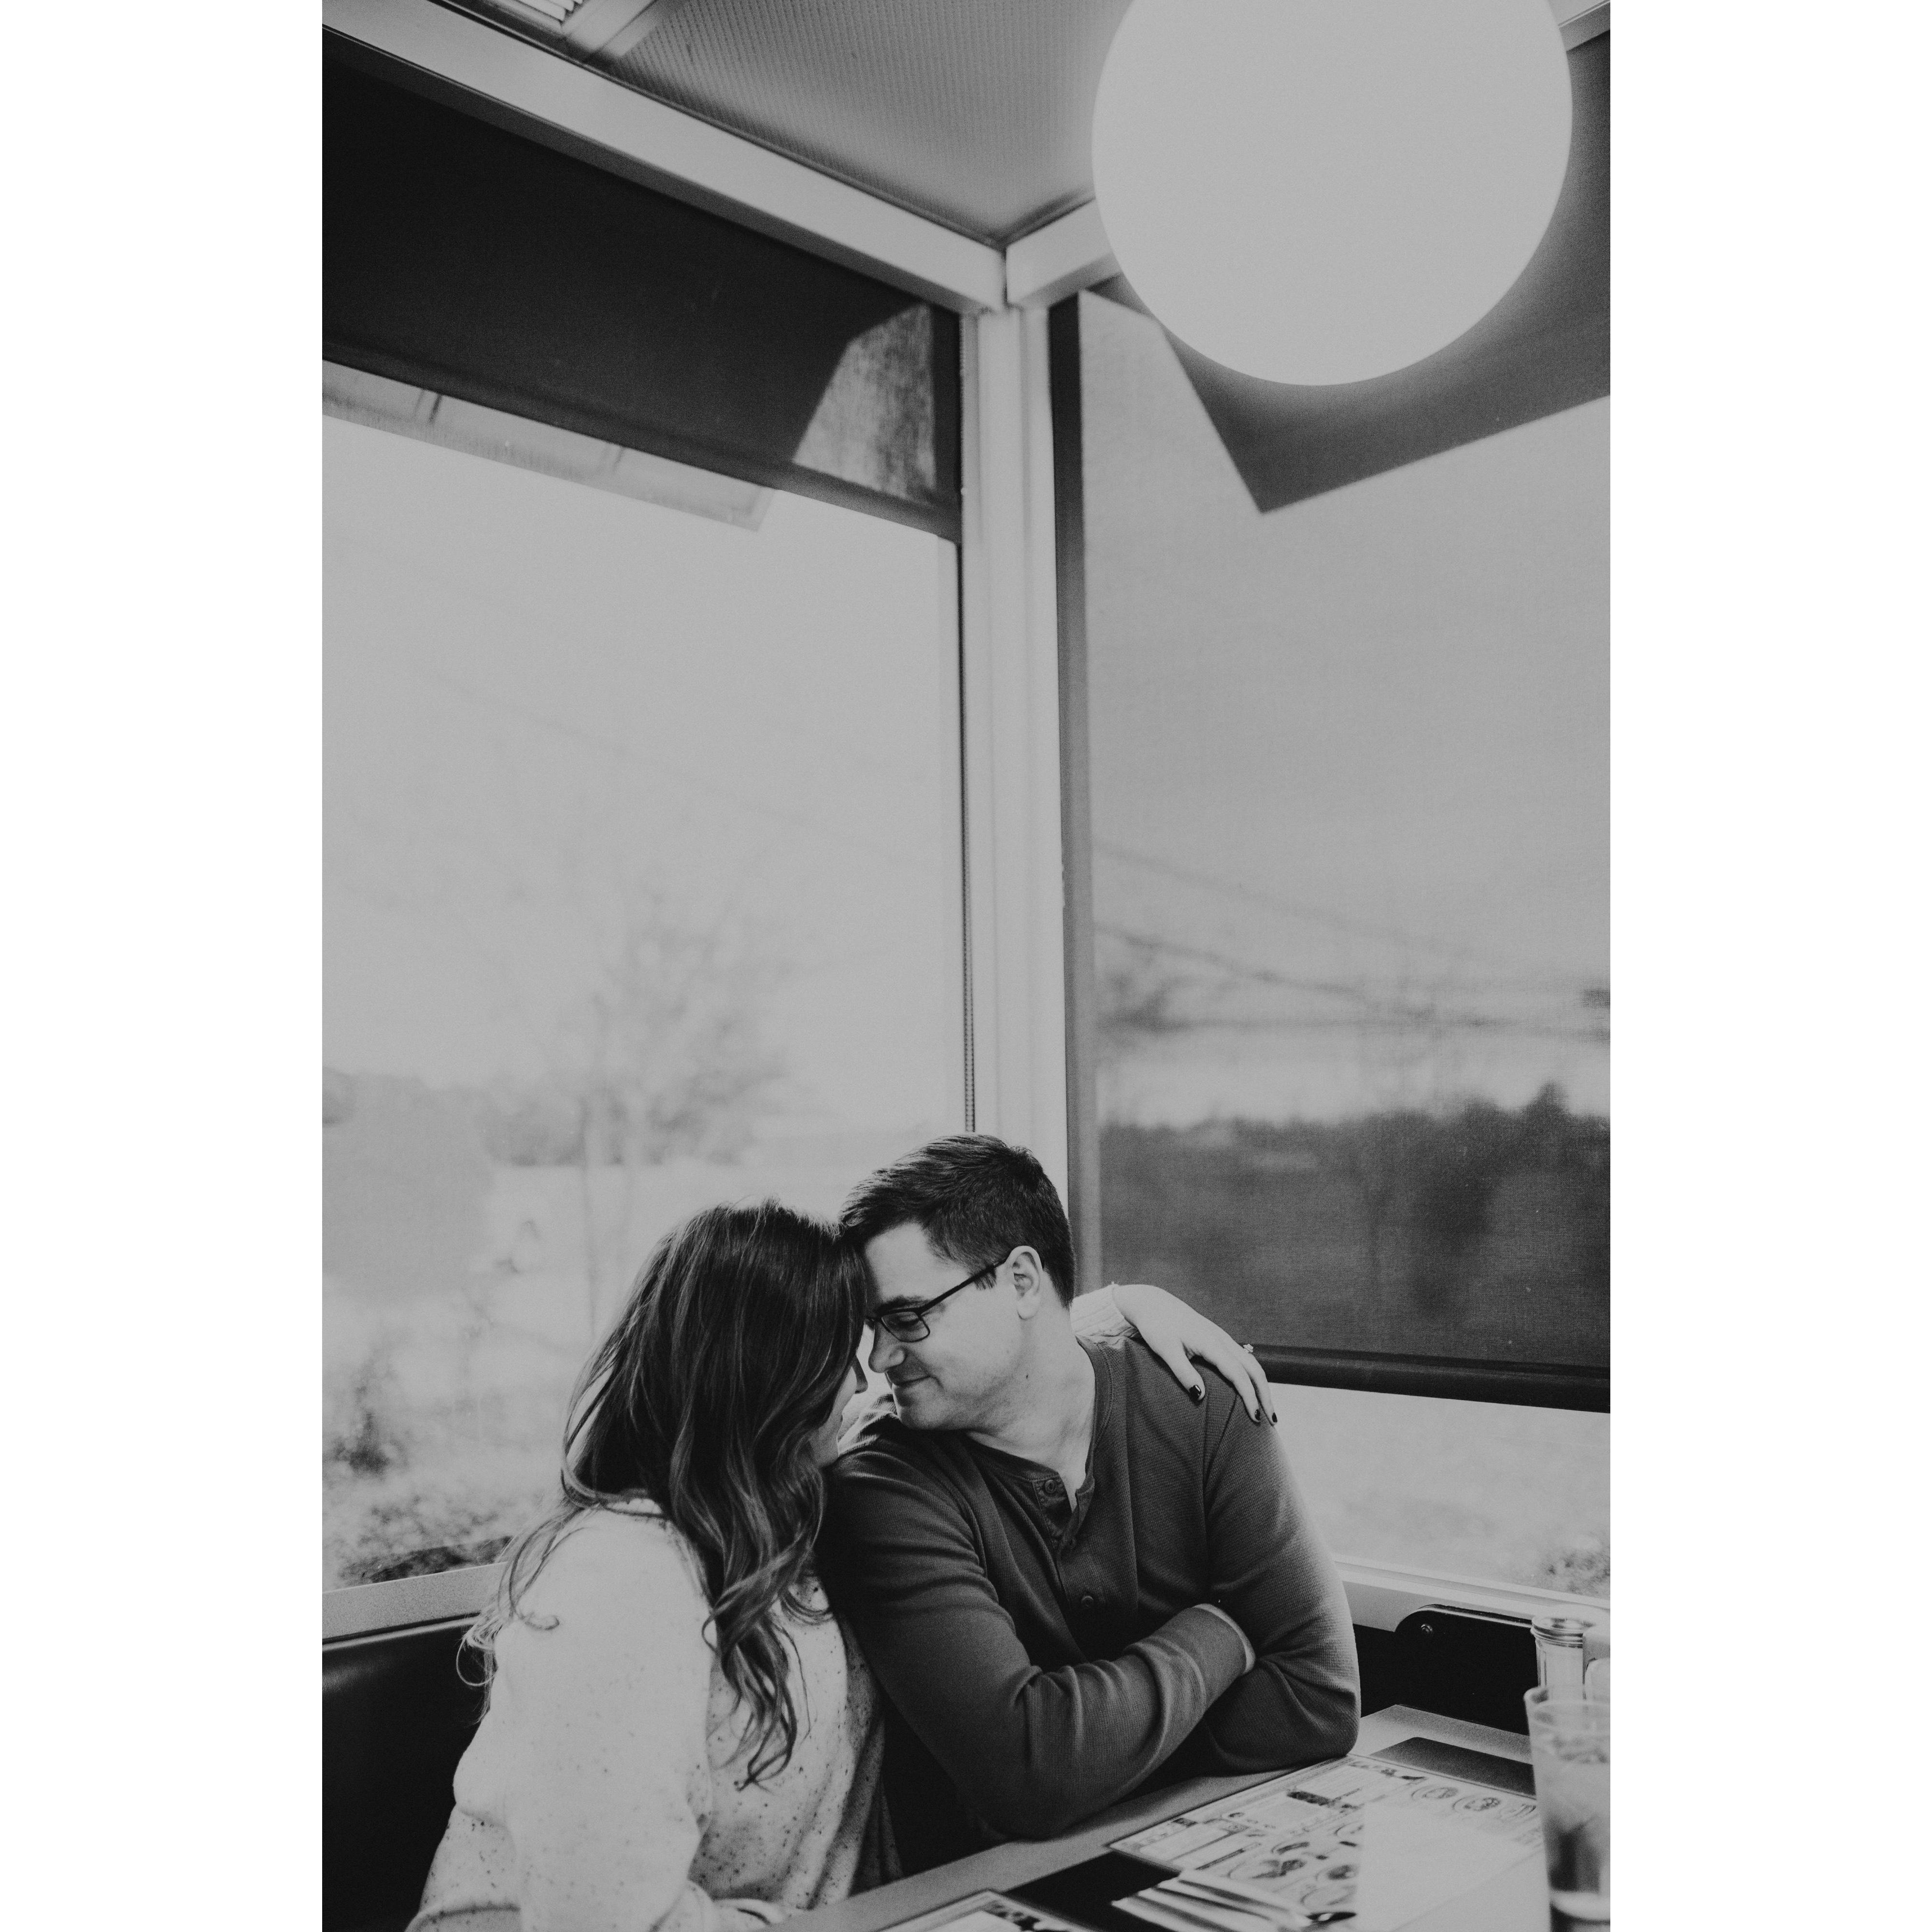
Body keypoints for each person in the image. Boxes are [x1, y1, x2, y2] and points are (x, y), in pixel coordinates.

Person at [409, 1198, 1270, 1932]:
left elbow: (1007, 1355)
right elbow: (604, 1918)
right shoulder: (623, 1582)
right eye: (847, 1353)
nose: (870, 1380)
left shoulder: (791, 1516)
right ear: (773, 1375)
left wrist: (1112, 1309)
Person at [820, 1136, 1361, 1874]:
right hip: (984, 1893)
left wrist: (1084, 1757)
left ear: (1020, 1280)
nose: (880, 1358)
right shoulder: (882, 1481)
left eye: (908, 1317)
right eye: (872, 1326)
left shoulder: (1202, 1398)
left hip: (1202, 1856)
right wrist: (1220, 1635)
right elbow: (1027, 1775)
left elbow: (1319, 1701)